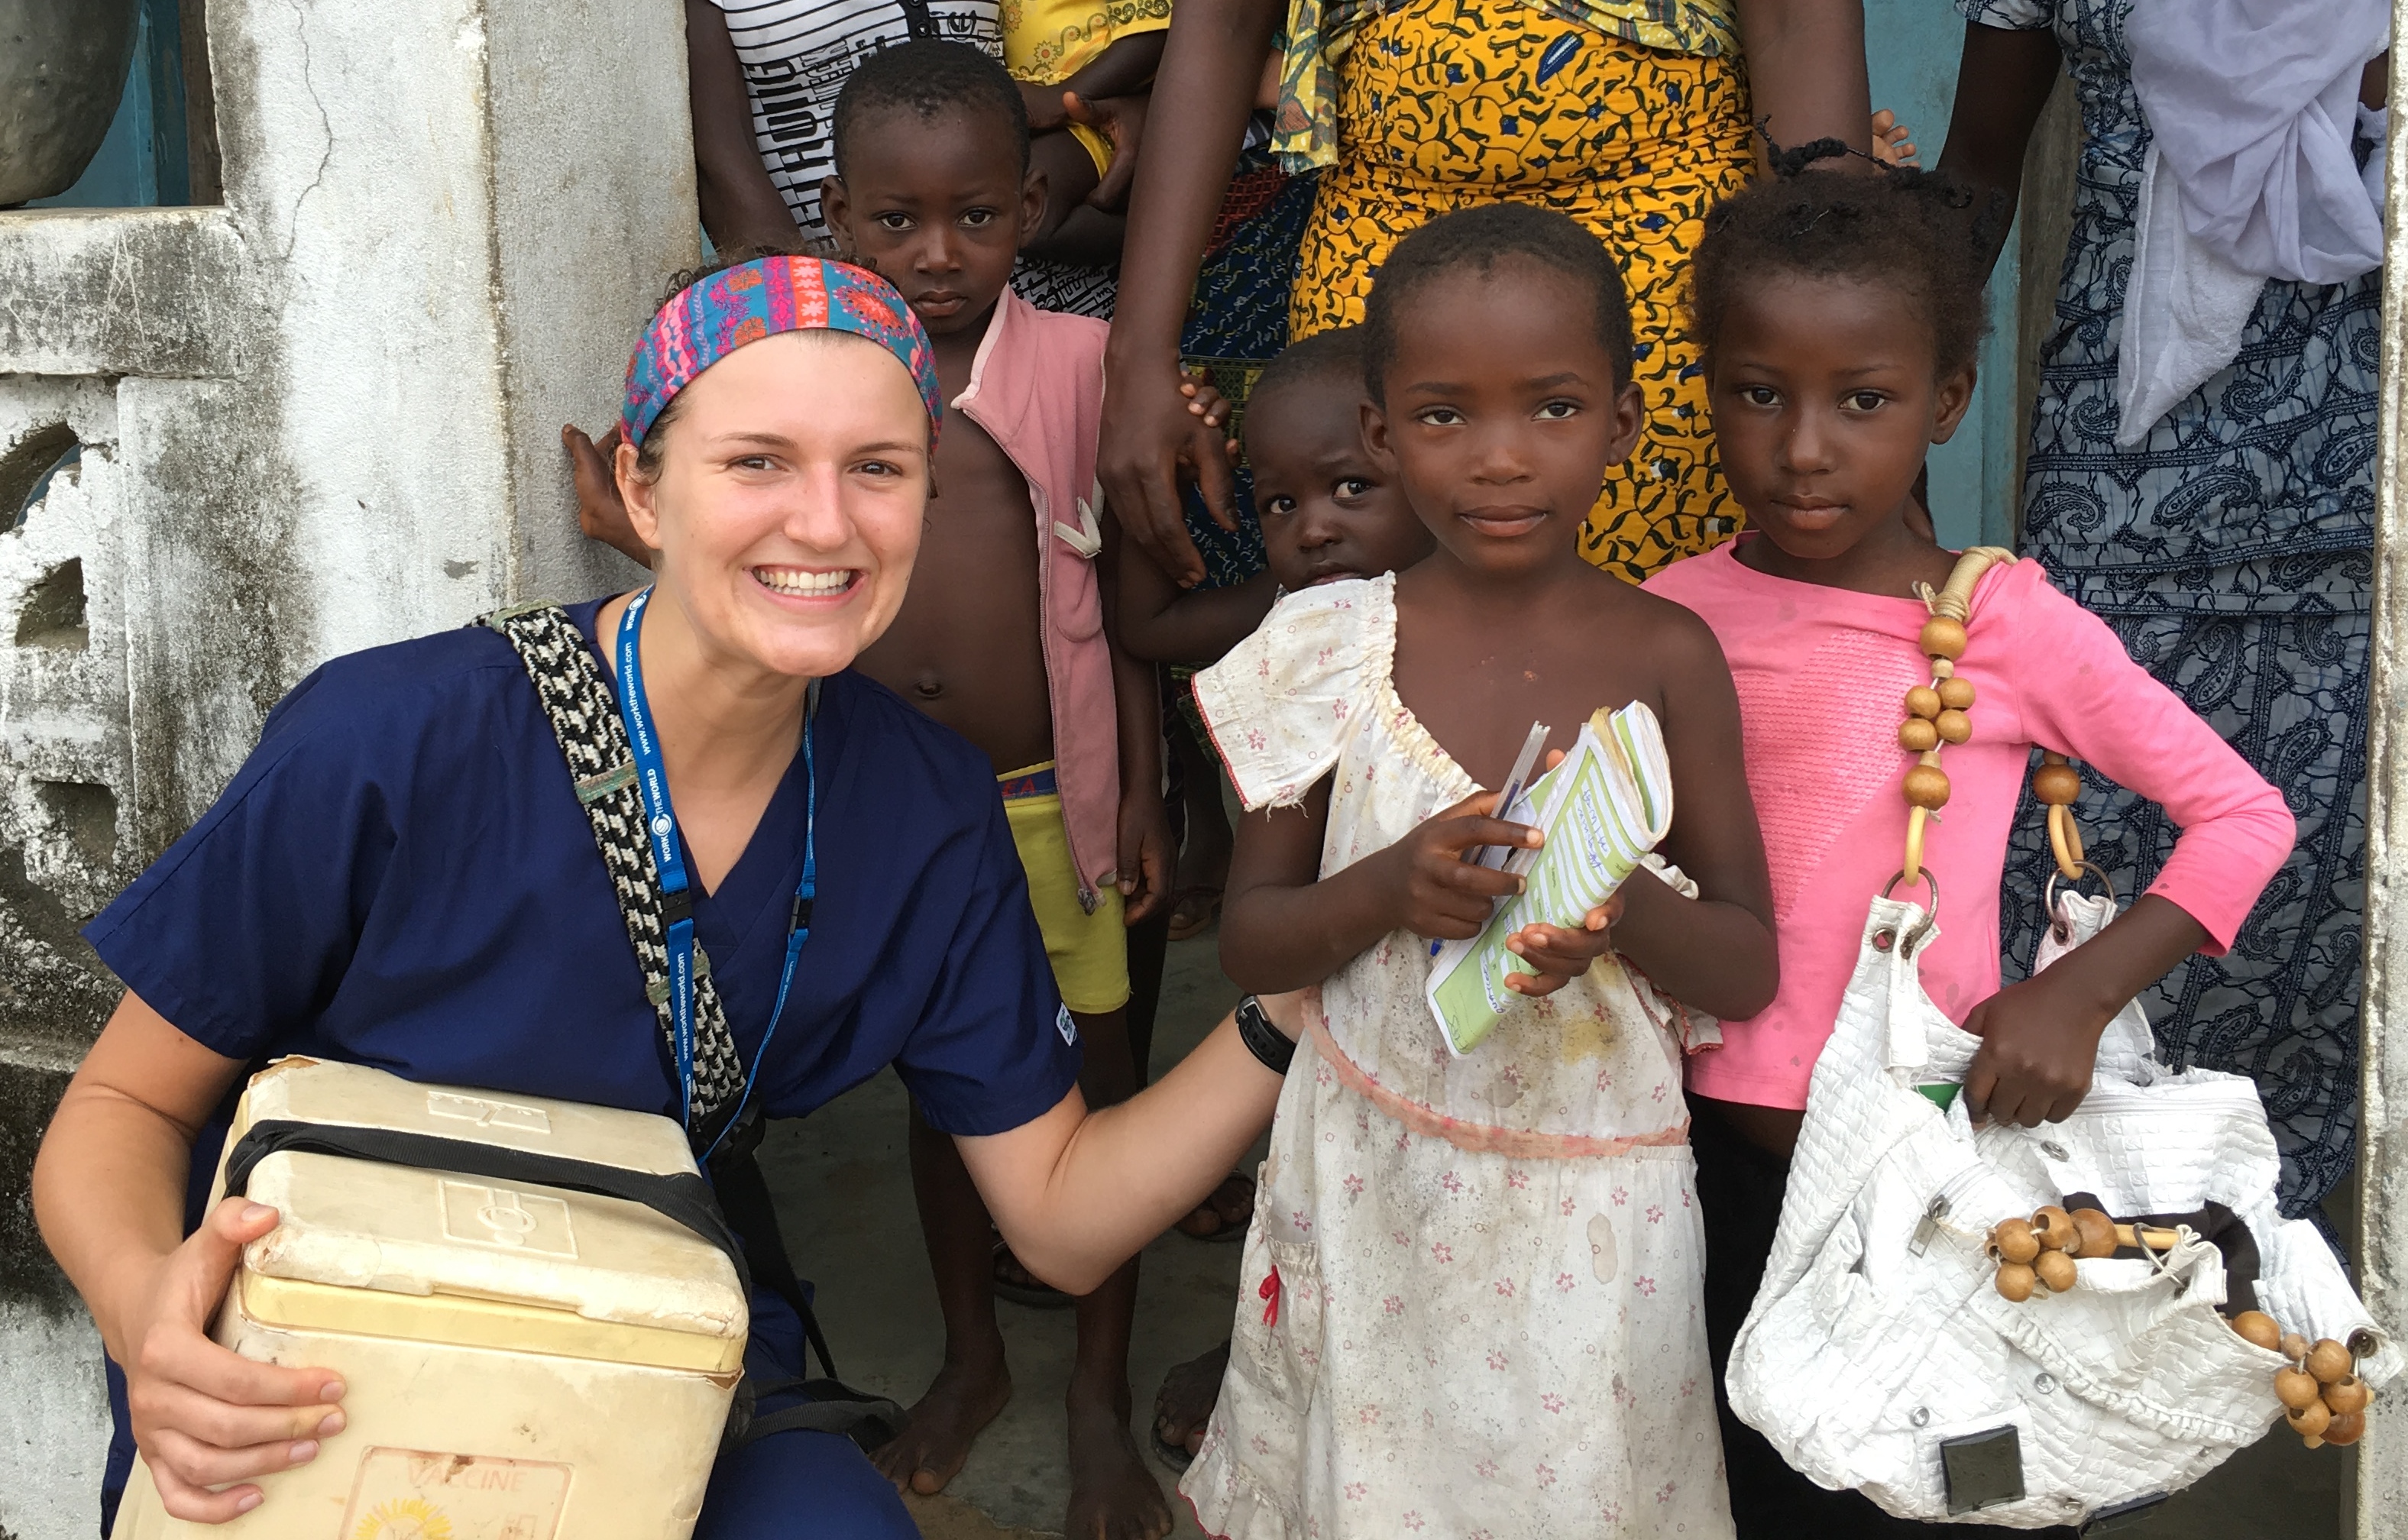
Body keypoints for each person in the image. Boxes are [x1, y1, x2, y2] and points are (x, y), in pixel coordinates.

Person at [31, 252, 1311, 1540]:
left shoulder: (923, 809)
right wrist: (151, 1316)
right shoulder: (396, 737)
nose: (823, 522)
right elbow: (123, 1103)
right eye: (756, 462)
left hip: (637, 1324)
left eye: (877, 467)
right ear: (641, 489)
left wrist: (1292, 997)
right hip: (318, 1329)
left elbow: (1063, 1220)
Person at [574, 44, 1182, 1540]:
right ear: (832, 213)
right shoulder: (823, 391)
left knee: (1097, 1101)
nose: (936, 255)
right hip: (900, 827)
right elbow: (764, 563)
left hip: (1061, 809)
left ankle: (1097, 1400)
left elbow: (1142, 617)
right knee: (948, 1103)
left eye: (975, 218)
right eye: (897, 223)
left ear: (1029, 211)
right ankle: (973, 1357)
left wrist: (1153, 797)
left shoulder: (1084, 370)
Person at [1641, 160, 2297, 1537]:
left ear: (1944, 403)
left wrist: (2077, 989)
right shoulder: (1662, 615)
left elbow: (2244, 814)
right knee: (1739, 1492)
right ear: (1706, 388)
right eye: (1759, 392)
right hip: (1687, 1167)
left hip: (1920, 1187)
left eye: (1862, 400)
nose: (1804, 445)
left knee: (1935, 1490)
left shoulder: (1995, 622)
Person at [1180, 204, 1779, 1538]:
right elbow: (1255, 939)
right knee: (1373, 1488)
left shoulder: (1667, 654)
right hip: (1372, 1173)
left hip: (1594, 1206)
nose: (1501, 461)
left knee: (1579, 1491)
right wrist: (1387, 886)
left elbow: (1744, 960)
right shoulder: (1328, 643)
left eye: (1551, 409)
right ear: (1384, 435)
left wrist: (1615, 913)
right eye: (1446, 418)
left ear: (1623, 422)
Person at [1931, 0, 2384, 1229]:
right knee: (2059, 904)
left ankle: (2233, 1296)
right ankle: (2062, 1290)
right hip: (2118, 480)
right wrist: (1889, 410)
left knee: (2315, 930)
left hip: (2367, 503)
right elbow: (1978, 169)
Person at [1096, 0, 1884, 595]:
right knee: (1394, 685)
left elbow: (1794, 24)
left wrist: (1830, 370)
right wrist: (1137, 360)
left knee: (1668, 692)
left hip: (1669, 280)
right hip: (1379, 261)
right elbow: (1223, 24)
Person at [681, 0, 1144, 315]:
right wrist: (810, 312)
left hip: (1047, 293)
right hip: (851, 307)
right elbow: (724, 157)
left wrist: (1131, 104)